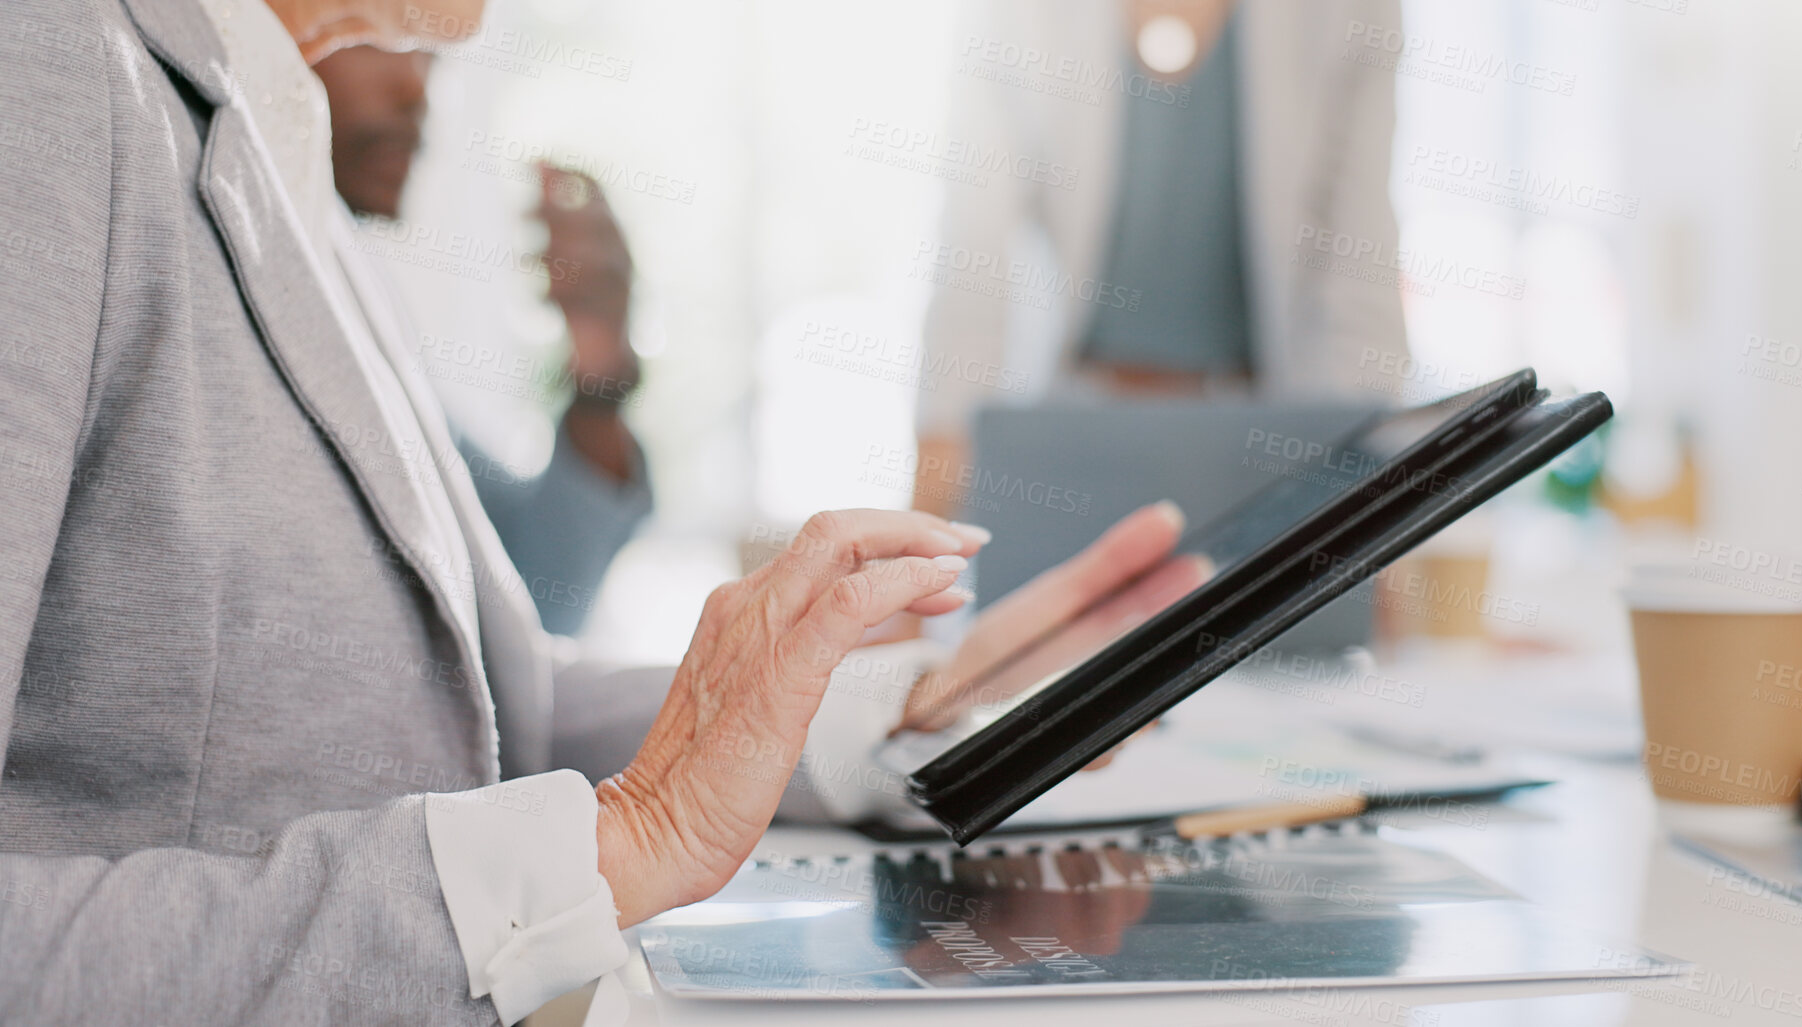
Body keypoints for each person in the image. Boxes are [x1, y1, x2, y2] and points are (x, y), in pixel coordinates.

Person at [0, 0, 1184, 1022]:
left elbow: (487, 711)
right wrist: (612, 848)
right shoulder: (45, 68)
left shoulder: (279, 148)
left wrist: (894, 706)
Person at [913, 0, 1410, 514]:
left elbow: (1361, 272)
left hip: (1266, 449)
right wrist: (928, 514)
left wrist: (1379, 507)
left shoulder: (1352, 11)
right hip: (1068, 441)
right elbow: (971, 259)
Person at [313, 46, 652, 636]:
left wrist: (601, 366)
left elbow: (529, 596)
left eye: (432, 59)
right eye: (386, 38)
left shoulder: (358, 301)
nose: (416, 91)